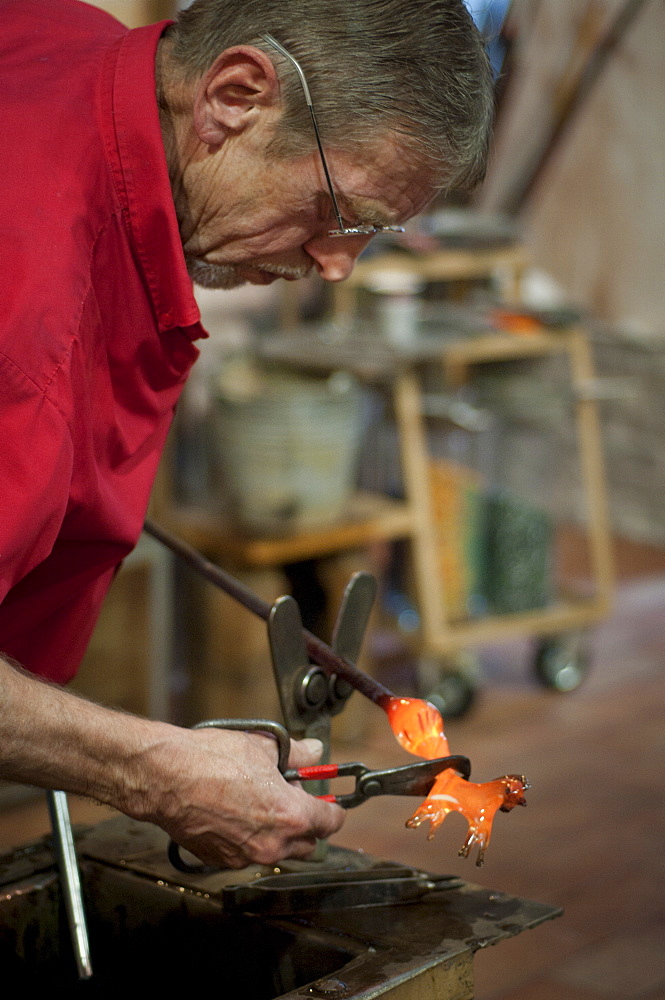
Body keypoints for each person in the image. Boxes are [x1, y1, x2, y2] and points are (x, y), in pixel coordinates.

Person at [0, 0, 493, 868]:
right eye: (339, 211)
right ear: (233, 95)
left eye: (370, 238)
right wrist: (152, 771)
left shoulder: (69, 41)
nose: (336, 264)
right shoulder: (31, 321)